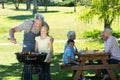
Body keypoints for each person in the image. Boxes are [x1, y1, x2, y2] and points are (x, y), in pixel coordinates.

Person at [9, 13, 53, 80]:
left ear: (42, 22)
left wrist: (51, 39)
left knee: (41, 69)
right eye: (36, 23)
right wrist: (12, 37)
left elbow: (47, 38)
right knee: (28, 69)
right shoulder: (27, 24)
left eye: (40, 24)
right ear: (34, 20)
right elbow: (12, 30)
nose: (38, 26)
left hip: (39, 50)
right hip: (27, 49)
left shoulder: (45, 25)